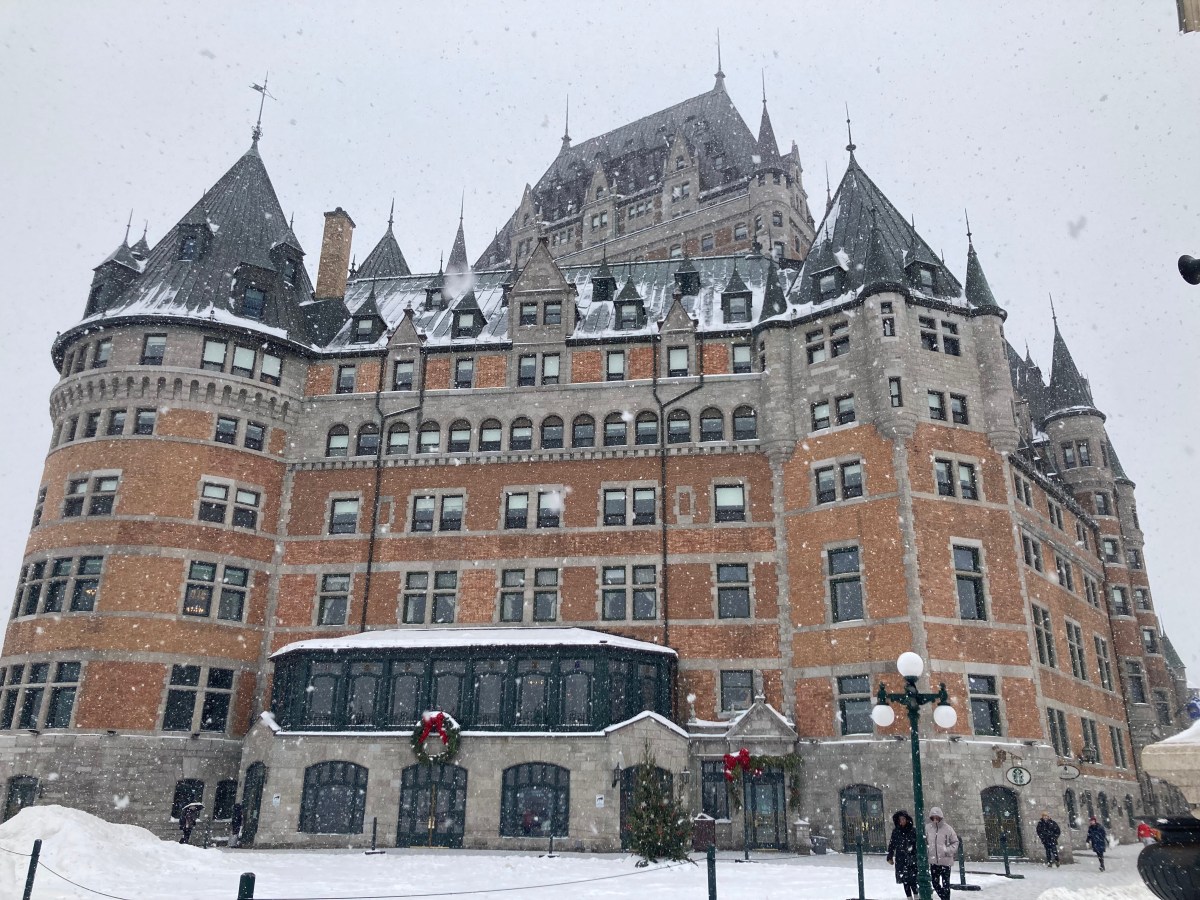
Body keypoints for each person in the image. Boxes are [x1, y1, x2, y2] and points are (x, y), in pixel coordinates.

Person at [925, 807, 959, 900]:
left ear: (940, 817)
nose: (935, 819)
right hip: (933, 861)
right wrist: (927, 851)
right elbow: (924, 841)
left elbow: (955, 842)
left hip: (945, 861)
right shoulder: (928, 828)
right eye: (933, 817)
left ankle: (946, 898)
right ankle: (944, 898)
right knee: (935, 884)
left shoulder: (948, 828)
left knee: (946, 884)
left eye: (937, 817)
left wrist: (947, 850)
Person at [886, 809, 920, 898]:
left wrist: (913, 852)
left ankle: (916, 896)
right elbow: (892, 844)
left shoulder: (913, 830)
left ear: (907, 819)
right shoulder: (896, 831)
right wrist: (890, 855)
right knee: (905, 880)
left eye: (903, 819)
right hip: (901, 859)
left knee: (913, 880)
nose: (902, 821)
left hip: (911, 858)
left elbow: (917, 844)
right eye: (900, 820)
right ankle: (909, 897)